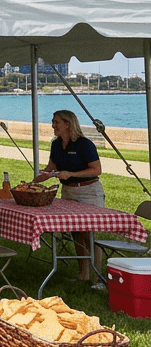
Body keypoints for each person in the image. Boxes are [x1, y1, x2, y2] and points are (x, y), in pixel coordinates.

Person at [45, 109, 105, 287]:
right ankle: (83, 274)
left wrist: (70, 173)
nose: (53, 125)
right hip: (68, 191)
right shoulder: (56, 144)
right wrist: (41, 177)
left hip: (88, 191)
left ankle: (98, 277)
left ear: (67, 124)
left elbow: (96, 170)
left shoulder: (84, 144)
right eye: (53, 121)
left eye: (56, 122)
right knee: (77, 232)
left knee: (91, 234)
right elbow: (51, 166)